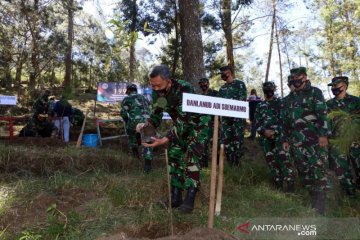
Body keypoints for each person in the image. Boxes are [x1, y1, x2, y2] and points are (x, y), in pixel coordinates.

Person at [136, 65, 210, 213]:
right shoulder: (159, 93)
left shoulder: (184, 88)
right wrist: (147, 125)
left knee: (192, 157)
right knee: (174, 154)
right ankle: (175, 197)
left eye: (158, 85)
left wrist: (164, 139)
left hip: (198, 125)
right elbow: (157, 113)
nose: (155, 89)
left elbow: (186, 119)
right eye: (152, 85)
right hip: (180, 125)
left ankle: (189, 199)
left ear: (168, 81)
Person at [282, 67, 331, 214]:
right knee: (304, 170)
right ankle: (311, 200)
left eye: (298, 77)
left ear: (304, 77)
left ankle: (320, 205)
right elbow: (285, 121)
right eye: (293, 78)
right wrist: (285, 139)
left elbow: (322, 114)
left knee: (318, 169)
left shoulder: (315, 92)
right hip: (296, 141)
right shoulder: (289, 98)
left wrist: (323, 134)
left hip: (315, 140)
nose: (295, 80)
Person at [255, 82, 295, 192]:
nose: (268, 91)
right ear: (263, 90)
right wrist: (264, 131)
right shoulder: (260, 106)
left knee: (284, 160)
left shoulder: (281, 103)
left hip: (280, 138)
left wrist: (274, 131)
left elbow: (286, 121)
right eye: (266, 89)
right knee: (271, 161)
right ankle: (278, 184)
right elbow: (256, 123)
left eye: (270, 89)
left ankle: (290, 185)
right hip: (265, 139)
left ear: (274, 89)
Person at [327, 76, 360, 195]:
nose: (334, 88)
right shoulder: (328, 104)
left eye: (336, 85)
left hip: (356, 141)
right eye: (332, 86)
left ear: (345, 86)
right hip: (337, 142)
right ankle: (350, 195)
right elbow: (326, 124)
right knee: (341, 170)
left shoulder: (356, 102)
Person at [120, 84, 153, 173]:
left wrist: (127, 122)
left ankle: (135, 156)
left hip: (135, 122)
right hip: (148, 121)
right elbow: (150, 108)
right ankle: (147, 165)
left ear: (128, 91)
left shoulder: (127, 99)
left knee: (131, 137)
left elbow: (123, 113)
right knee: (148, 141)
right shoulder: (144, 97)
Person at [218, 65, 247, 166]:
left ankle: (238, 165)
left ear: (229, 73)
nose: (222, 75)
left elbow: (242, 100)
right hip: (225, 121)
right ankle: (231, 165)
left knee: (238, 142)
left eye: (223, 73)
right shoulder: (222, 89)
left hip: (237, 120)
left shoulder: (240, 84)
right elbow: (219, 105)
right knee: (227, 143)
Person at [198, 77, 218, 168]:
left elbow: (220, 107)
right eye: (201, 84)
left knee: (214, 144)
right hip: (203, 124)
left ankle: (217, 163)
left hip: (214, 123)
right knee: (203, 144)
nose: (203, 85)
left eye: (204, 84)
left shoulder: (214, 94)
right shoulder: (199, 97)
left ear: (208, 84)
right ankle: (204, 164)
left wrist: (219, 122)